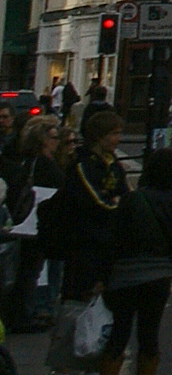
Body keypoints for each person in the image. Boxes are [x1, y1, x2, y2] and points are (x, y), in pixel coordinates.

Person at [98, 145, 172, 375]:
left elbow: (113, 238)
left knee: (118, 334)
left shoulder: (132, 199)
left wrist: (104, 274)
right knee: (149, 335)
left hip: (124, 275)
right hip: (159, 275)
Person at [56, 108, 129, 305]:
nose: (118, 139)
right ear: (99, 136)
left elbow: (125, 194)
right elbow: (95, 200)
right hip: (85, 240)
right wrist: (116, 205)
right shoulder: (83, 164)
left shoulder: (113, 164)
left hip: (108, 238)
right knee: (80, 295)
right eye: (113, 134)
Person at [7, 116, 67, 331]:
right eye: (54, 137)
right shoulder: (43, 164)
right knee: (30, 271)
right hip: (37, 222)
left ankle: (23, 313)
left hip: (27, 222)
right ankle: (23, 315)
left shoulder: (28, 162)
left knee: (27, 271)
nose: (57, 142)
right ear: (42, 140)